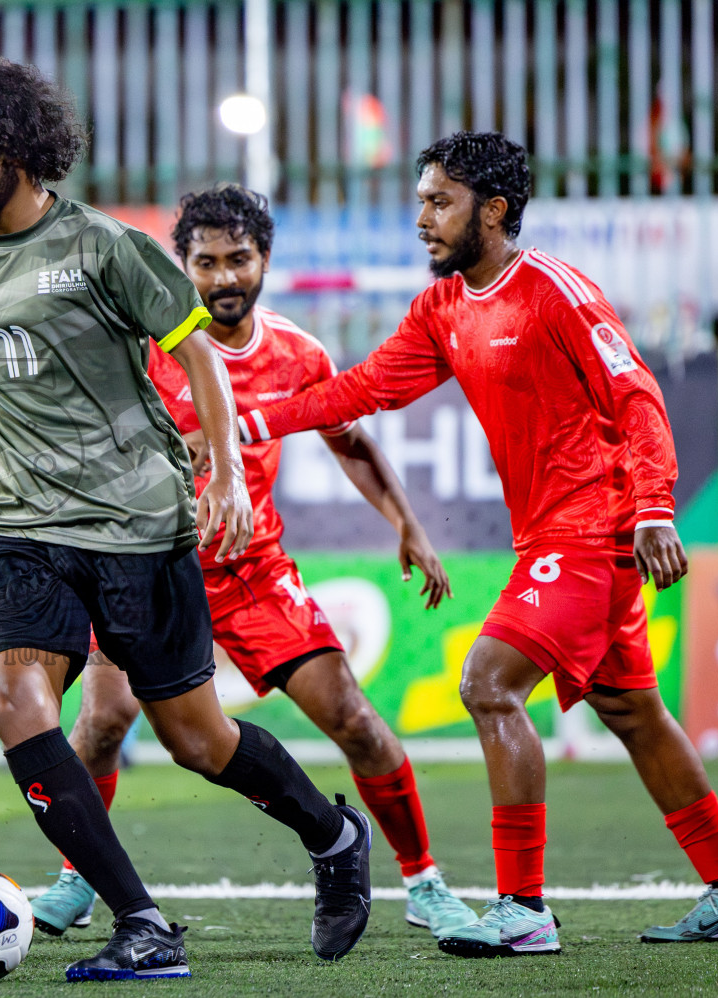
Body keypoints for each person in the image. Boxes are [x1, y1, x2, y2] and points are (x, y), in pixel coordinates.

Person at [222, 131, 718, 956]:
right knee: (632, 710)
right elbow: (367, 388)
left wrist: (656, 507)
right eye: (419, 201)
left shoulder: (555, 292)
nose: (422, 220)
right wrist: (248, 421)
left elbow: (638, 396)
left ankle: (522, 908)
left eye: (438, 202)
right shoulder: (444, 308)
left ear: (494, 209)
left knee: (487, 683)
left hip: (596, 529)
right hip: (556, 536)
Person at [0, 58, 373, 980]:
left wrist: (226, 472)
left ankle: (332, 834)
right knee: (14, 703)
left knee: (199, 739)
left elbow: (202, 360)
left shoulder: (109, 247)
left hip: (137, 527)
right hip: (20, 529)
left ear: (21, 151)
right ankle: (141, 923)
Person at [28, 183, 478, 942]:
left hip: (252, 571)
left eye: (240, 259)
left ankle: (425, 882)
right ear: (183, 268)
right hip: (143, 570)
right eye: (206, 263)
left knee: (357, 722)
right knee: (103, 720)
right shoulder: (142, 349)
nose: (225, 278)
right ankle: (77, 881)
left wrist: (407, 523)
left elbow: (351, 438)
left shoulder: (299, 353)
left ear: (264, 259)